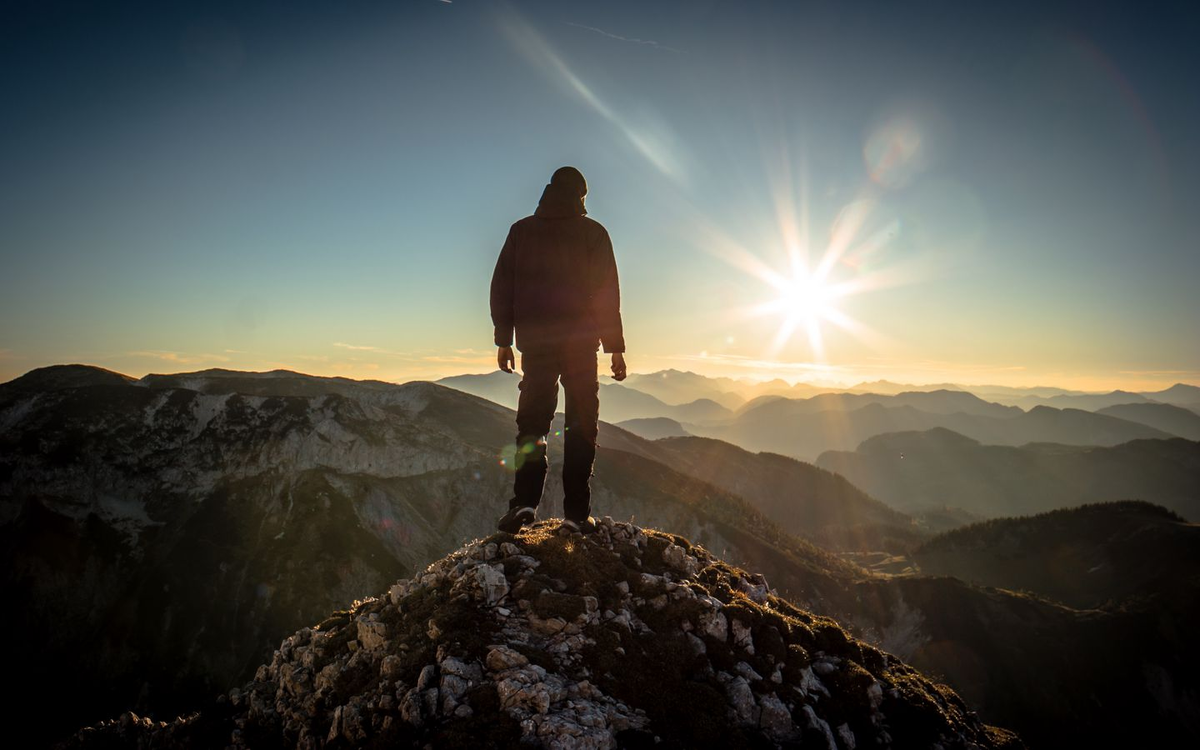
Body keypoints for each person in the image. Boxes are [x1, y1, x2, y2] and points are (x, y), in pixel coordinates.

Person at [490, 166, 626, 535]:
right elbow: (606, 295)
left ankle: (523, 504)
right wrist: (614, 347)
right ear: (581, 195)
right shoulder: (593, 233)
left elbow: (503, 286)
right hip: (581, 343)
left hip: (535, 342)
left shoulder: (522, 231)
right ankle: (576, 514)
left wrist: (504, 338)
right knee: (582, 423)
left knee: (532, 421)